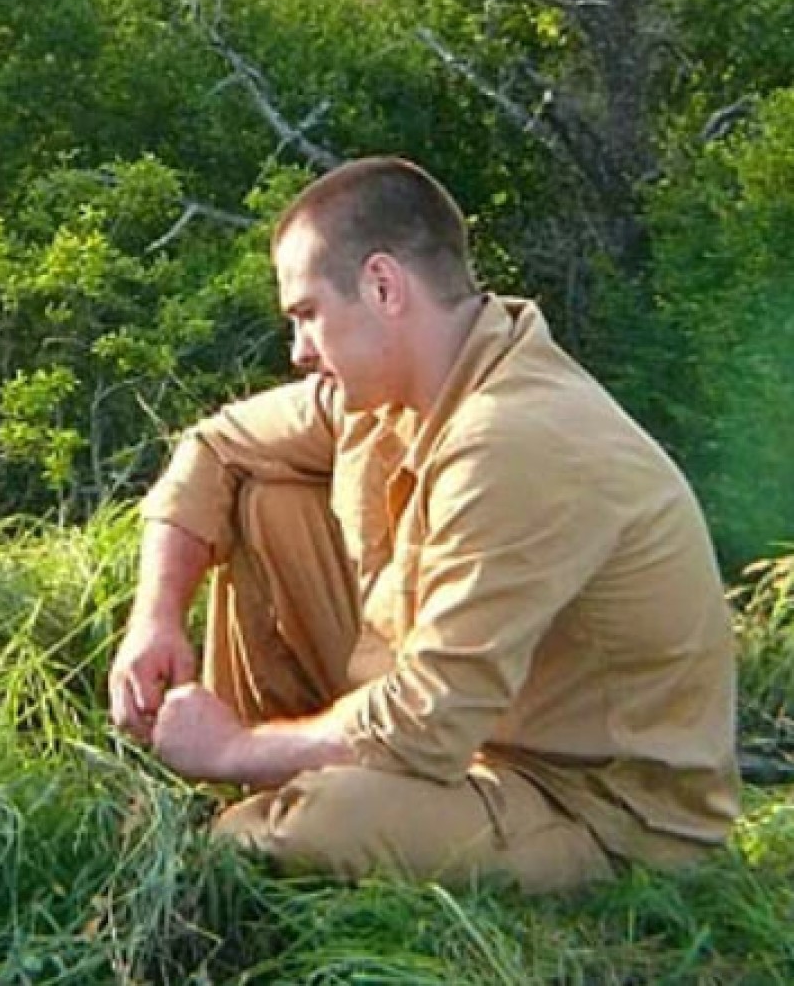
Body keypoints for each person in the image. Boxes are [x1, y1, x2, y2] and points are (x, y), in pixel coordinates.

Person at [108, 157, 739, 892]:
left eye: (307, 314)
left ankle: (262, 798)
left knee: (313, 827)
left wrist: (232, 747)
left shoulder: (515, 435)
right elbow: (214, 447)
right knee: (263, 496)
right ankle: (277, 783)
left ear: (383, 286)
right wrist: (156, 618)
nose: (298, 351)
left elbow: (429, 718)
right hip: (473, 735)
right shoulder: (396, 390)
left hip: (596, 808)